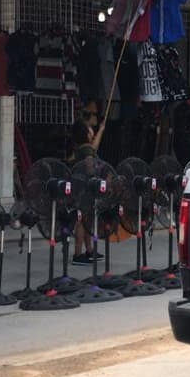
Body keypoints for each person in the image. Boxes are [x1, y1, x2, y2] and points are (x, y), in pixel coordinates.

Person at [70, 100, 105, 264]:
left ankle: (89, 251)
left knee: (85, 221)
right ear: (86, 134)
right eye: (90, 130)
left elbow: (93, 147)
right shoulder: (87, 150)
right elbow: (91, 168)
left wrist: (100, 131)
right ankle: (78, 254)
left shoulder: (80, 148)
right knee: (83, 222)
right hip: (86, 190)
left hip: (79, 189)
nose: (92, 131)